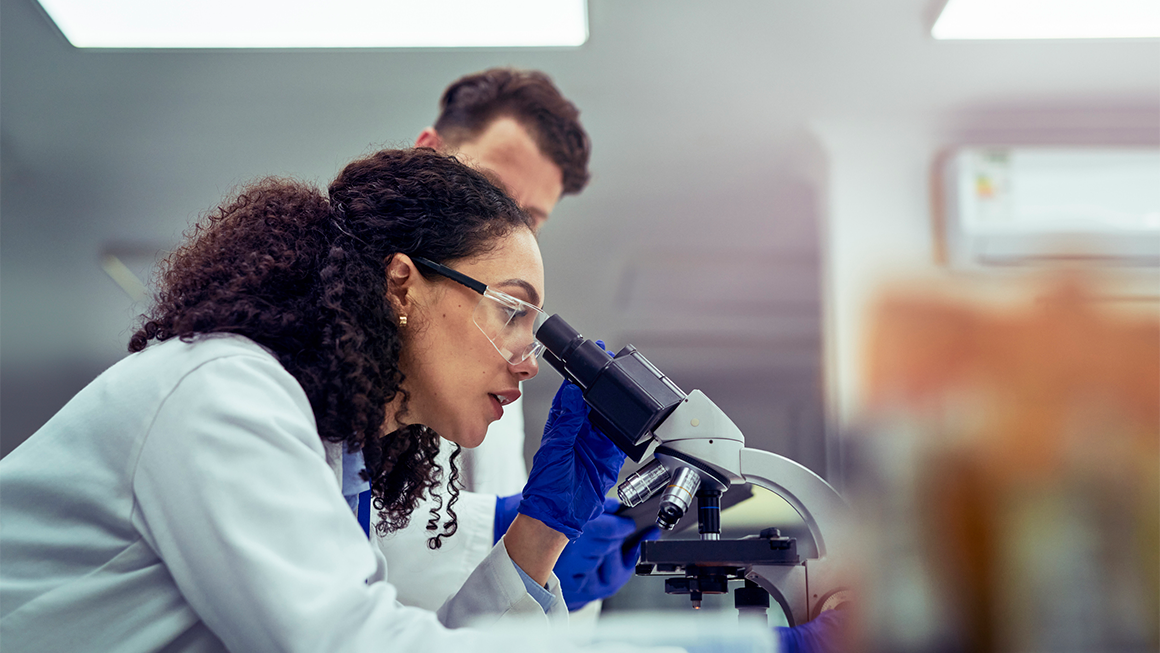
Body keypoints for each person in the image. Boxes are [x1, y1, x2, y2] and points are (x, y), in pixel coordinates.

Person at [0, 148, 627, 651]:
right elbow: (346, 642)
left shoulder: (338, 454)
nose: (529, 360)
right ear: (402, 286)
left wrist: (541, 532)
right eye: (512, 310)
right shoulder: (224, 396)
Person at [372, 68, 650, 615]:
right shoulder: (278, 382)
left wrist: (543, 544)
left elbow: (489, 617)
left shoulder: (488, 372)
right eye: (491, 190)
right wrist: (499, 528)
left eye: (526, 218)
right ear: (427, 154)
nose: (502, 226)